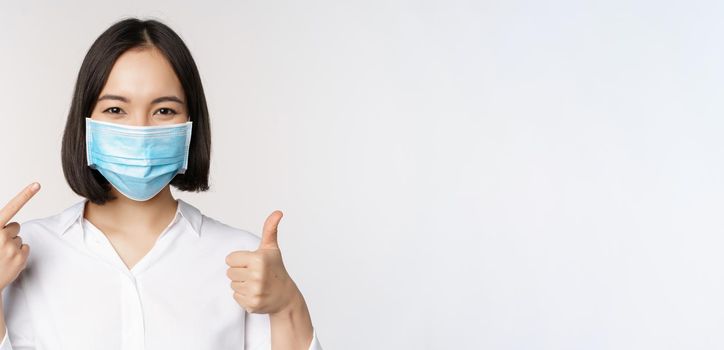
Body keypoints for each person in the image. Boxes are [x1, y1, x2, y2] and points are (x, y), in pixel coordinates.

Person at [0, 17, 322, 350]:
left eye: (164, 111)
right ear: (86, 124)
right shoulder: (20, 254)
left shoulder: (242, 261)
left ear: (190, 124)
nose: (140, 130)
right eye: (115, 109)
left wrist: (287, 304)